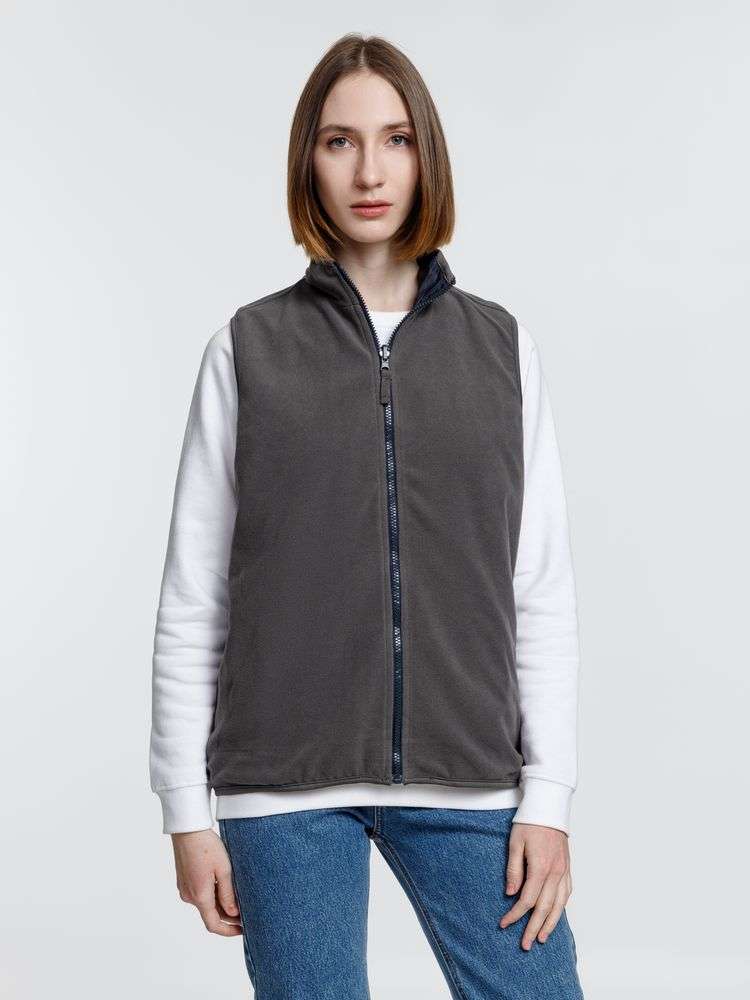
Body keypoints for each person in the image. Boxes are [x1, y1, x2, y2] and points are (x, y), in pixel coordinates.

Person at [149, 32, 585, 1000]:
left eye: (396, 139)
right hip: (281, 791)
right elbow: (195, 597)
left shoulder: (501, 348)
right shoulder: (248, 349)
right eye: (339, 141)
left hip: (471, 774)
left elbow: (539, 587)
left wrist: (547, 799)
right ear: (308, 160)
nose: (370, 171)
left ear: (427, 155)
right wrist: (186, 810)